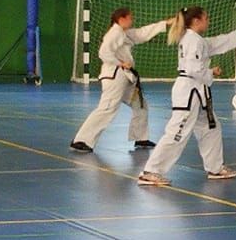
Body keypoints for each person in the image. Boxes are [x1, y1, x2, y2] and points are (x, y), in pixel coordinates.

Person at [137, 5, 236, 187]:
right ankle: (151, 171)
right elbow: (193, 69)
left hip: (196, 92)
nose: (208, 21)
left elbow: (215, 43)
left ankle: (215, 168)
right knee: (177, 132)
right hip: (189, 92)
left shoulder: (195, 39)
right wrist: (210, 72)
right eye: (206, 18)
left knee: (211, 129)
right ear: (196, 20)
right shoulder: (192, 40)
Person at [71, 8, 173, 154]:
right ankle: (81, 140)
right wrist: (120, 63)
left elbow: (141, 33)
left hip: (125, 77)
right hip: (114, 77)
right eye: (130, 18)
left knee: (140, 105)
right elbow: (103, 52)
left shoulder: (124, 33)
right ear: (121, 19)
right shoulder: (115, 33)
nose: (132, 21)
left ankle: (140, 137)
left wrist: (165, 24)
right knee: (107, 108)